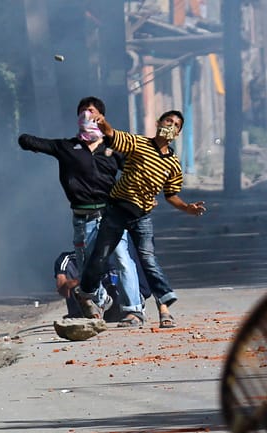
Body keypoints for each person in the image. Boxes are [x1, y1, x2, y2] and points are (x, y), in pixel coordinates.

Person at [18, 96, 145, 326]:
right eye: (83, 111)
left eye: (93, 111)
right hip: (82, 218)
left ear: (102, 118)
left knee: (123, 259)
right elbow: (29, 140)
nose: (88, 114)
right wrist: (27, 142)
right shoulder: (67, 147)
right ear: (78, 118)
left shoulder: (114, 148)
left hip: (111, 215)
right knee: (87, 267)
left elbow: (137, 170)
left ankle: (134, 310)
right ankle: (101, 299)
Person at [73, 110, 205, 328]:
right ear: (158, 123)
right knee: (100, 255)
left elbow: (171, 194)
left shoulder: (173, 164)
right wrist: (102, 121)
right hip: (116, 210)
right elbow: (114, 136)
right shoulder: (138, 143)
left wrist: (187, 208)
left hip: (142, 216)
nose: (170, 126)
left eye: (176, 125)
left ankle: (164, 309)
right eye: (168, 121)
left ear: (178, 133)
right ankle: (86, 294)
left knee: (148, 260)